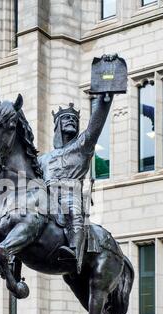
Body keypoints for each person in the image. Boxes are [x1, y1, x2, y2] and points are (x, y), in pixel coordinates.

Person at [39, 93, 114, 274]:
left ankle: (74, 255)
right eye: (66, 118)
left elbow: (94, 127)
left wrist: (104, 103)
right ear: (57, 125)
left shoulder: (82, 146)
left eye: (74, 119)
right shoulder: (43, 158)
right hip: (46, 197)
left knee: (75, 215)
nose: (71, 121)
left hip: (70, 193)